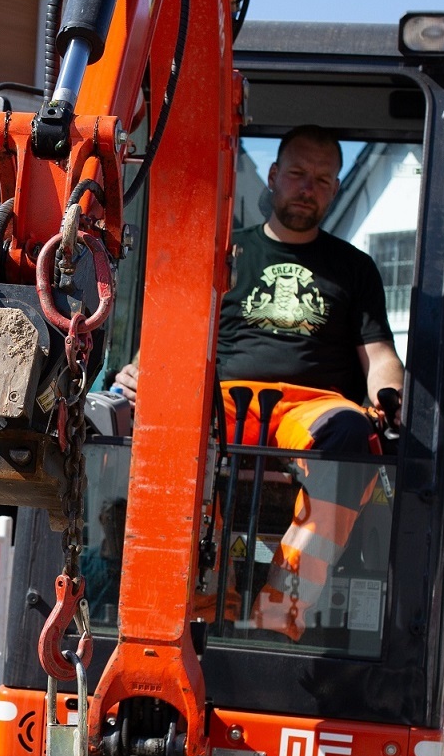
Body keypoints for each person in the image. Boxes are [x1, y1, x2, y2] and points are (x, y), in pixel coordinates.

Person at [111, 125, 406, 636]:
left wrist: (390, 397)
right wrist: (142, 370)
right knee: (169, 420)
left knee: (355, 435)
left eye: (322, 178)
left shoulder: (355, 270)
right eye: (296, 174)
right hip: (222, 401)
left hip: (311, 407)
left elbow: (379, 354)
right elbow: (175, 327)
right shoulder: (226, 253)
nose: (307, 187)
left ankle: (284, 602)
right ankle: (198, 602)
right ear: (273, 176)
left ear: (335, 188)